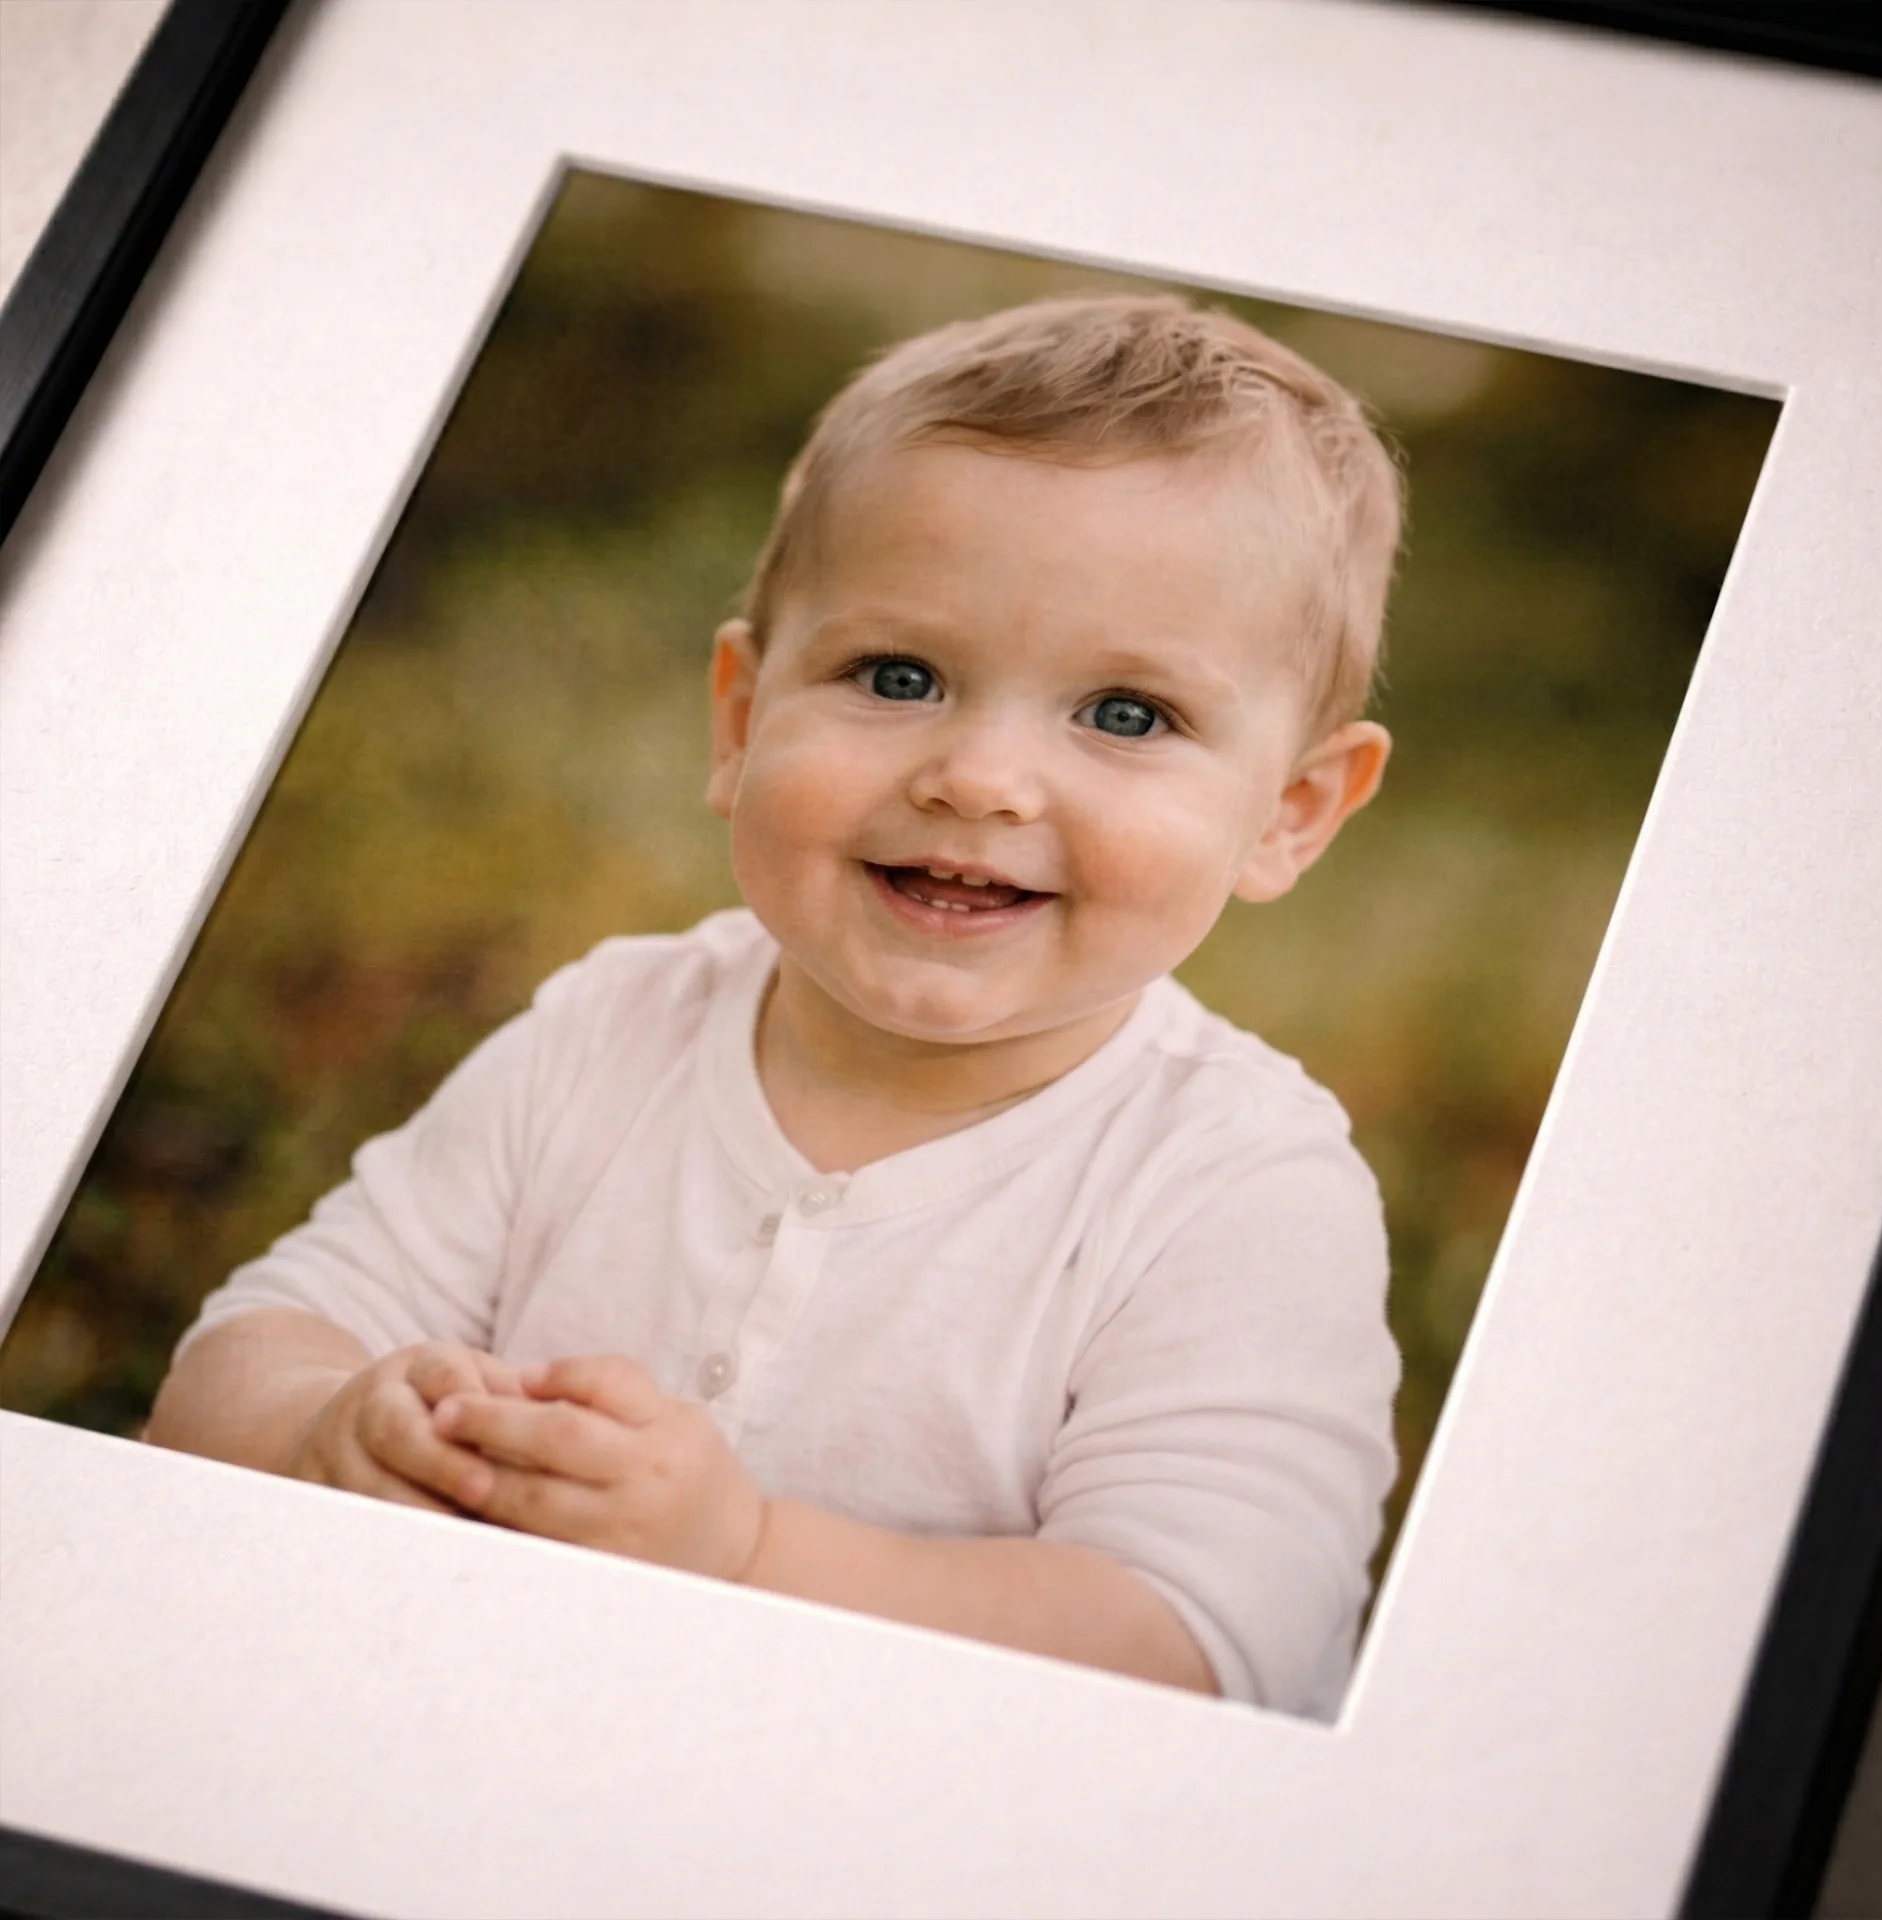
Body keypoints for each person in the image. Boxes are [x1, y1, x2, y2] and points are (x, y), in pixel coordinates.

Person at [147, 294, 1404, 1719]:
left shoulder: (1236, 1186)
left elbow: (1203, 1652)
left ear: (1290, 814)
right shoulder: (612, 1031)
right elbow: (238, 1365)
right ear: (741, 719)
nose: (979, 778)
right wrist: (330, 1427)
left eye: (1125, 713)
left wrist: (741, 1555)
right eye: (899, 676)